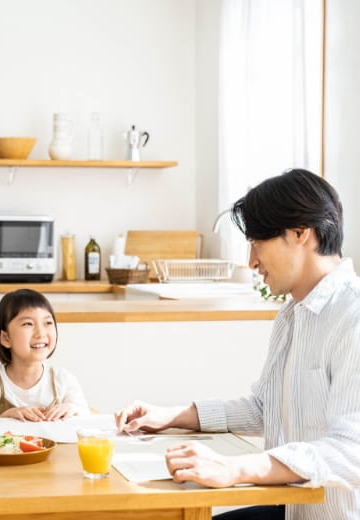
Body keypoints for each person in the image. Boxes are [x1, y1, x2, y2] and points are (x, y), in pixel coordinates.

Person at [115, 169, 360, 520]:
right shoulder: (292, 314)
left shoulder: (353, 315)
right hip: (293, 509)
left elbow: (352, 451)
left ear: (300, 233)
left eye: (258, 242)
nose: (251, 262)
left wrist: (234, 469)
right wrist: (172, 416)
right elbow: (266, 407)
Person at [0, 289, 90, 421]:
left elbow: (86, 421)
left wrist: (72, 410)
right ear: (6, 338)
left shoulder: (63, 379)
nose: (41, 333)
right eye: (28, 324)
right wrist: (6, 417)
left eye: (48, 323)